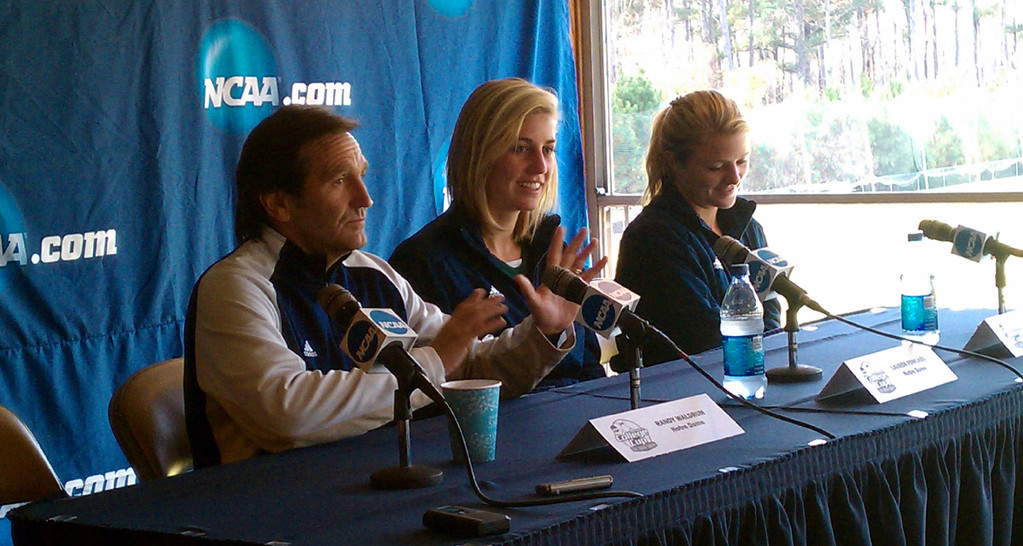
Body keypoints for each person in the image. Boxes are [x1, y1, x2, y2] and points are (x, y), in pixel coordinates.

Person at [184, 105, 602, 467]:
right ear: (279, 204)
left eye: (361, 176)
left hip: (379, 490)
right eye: (338, 181)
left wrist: (541, 334)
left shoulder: (373, 273)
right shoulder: (236, 287)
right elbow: (287, 413)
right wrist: (437, 359)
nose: (365, 198)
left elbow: (468, 366)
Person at [389, 78, 606, 390]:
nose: (540, 166)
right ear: (479, 154)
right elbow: (438, 390)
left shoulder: (551, 247)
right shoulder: (424, 261)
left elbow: (588, 368)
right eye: (521, 148)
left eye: (548, 149)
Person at [613, 90, 781, 368]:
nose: (734, 177)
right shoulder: (652, 239)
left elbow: (772, 311)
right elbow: (705, 338)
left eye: (742, 161)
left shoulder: (748, 226)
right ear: (673, 162)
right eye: (716, 167)